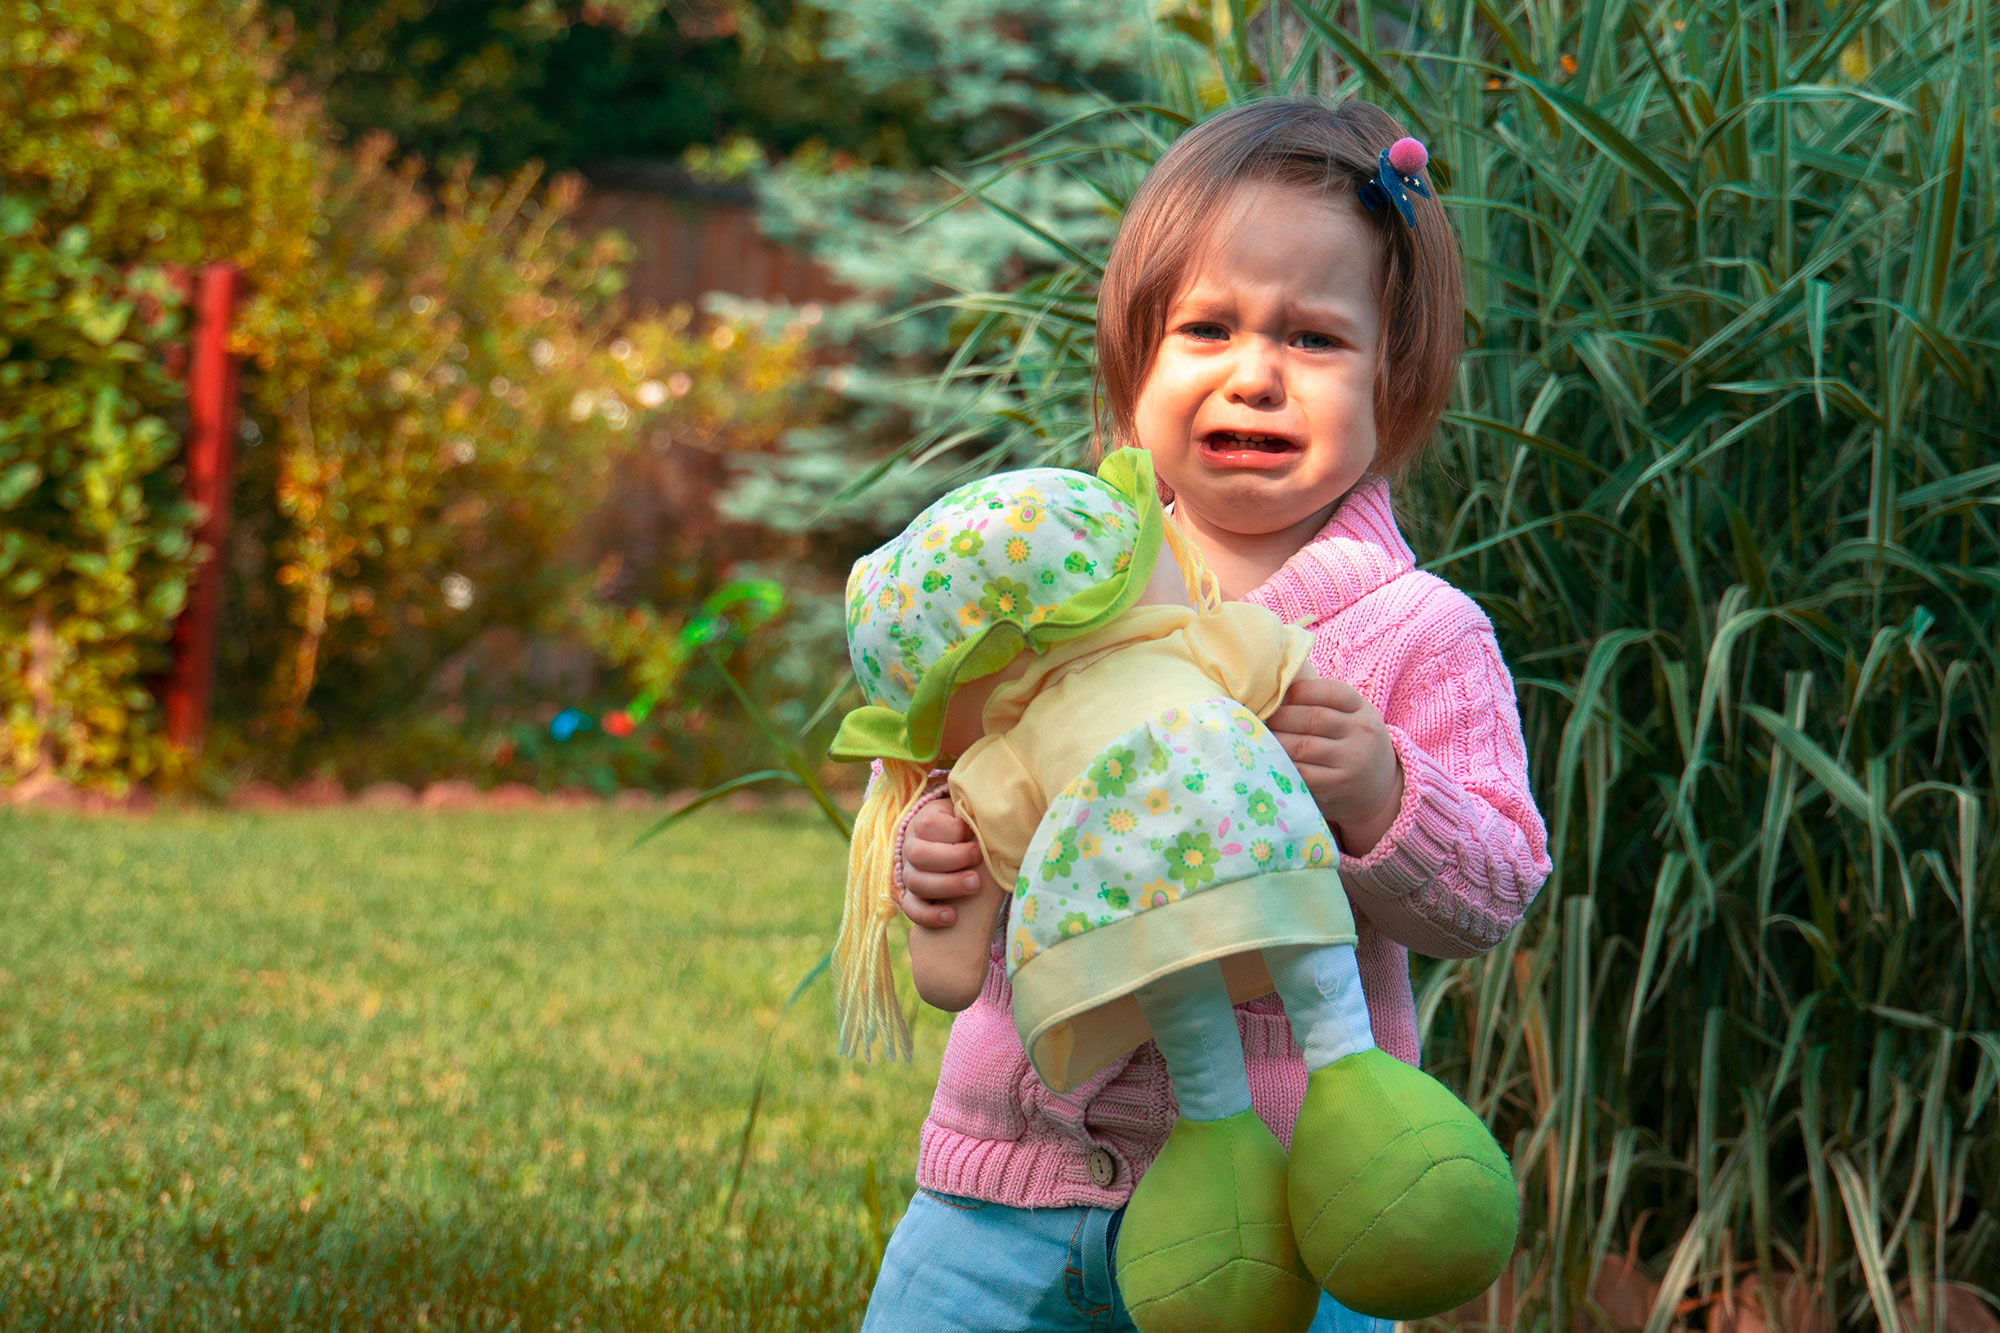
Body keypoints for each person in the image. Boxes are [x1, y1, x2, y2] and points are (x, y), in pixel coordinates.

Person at [870, 97, 1552, 1333]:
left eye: (1311, 338)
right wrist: (938, 851)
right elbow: (991, 777)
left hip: (1285, 1221)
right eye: (1206, 328)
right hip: (1005, 1188)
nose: (1253, 374)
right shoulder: (1060, 591)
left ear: (1390, 378)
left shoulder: (1415, 632)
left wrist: (1379, 792)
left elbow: (1496, 885)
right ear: (1136, 363)